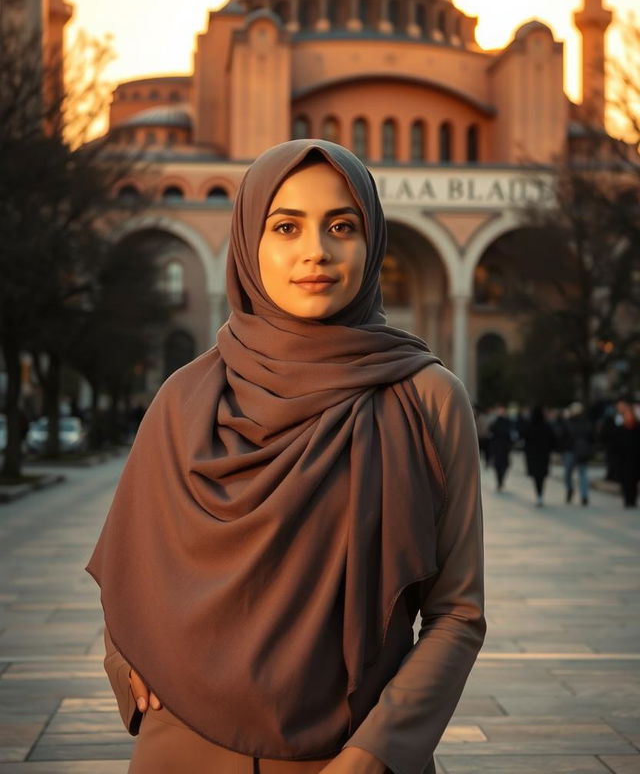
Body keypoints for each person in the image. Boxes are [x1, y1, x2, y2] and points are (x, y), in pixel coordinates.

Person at [86, 140, 485, 774]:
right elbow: (133, 563)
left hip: (345, 756)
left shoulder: (426, 398)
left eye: (342, 225)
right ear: (250, 242)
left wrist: (378, 751)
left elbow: (457, 612)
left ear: (372, 240)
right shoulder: (187, 396)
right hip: (182, 747)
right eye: (286, 226)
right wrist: (124, 661)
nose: (316, 251)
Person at [523, 405, 556, 506]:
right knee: (541, 476)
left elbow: (524, 438)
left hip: (532, 455)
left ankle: (538, 495)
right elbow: (553, 439)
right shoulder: (546, 426)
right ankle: (540, 494)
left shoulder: (529, 426)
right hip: (543, 454)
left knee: (536, 476)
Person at [560, 402, 593, 505]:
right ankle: (582, 494)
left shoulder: (570, 422)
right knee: (580, 474)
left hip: (573, 451)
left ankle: (579, 493)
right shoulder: (584, 422)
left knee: (571, 474)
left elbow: (562, 437)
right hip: (576, 451)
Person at [610, 399, 640, 509]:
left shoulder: (637, 429)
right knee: (625, 480)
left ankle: (633, 499)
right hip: (623, 460)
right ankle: (627, 499)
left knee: (634, 481)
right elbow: (614, 445)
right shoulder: (620, 430)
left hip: (636, 459)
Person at [488, 404, 514, 491]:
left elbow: (491, 431)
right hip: (503, 447)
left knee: (499, 465)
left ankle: (500, 481)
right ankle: (500, 481)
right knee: (502, 465)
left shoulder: (499, 422)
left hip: (499, 447)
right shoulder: (504, 422)